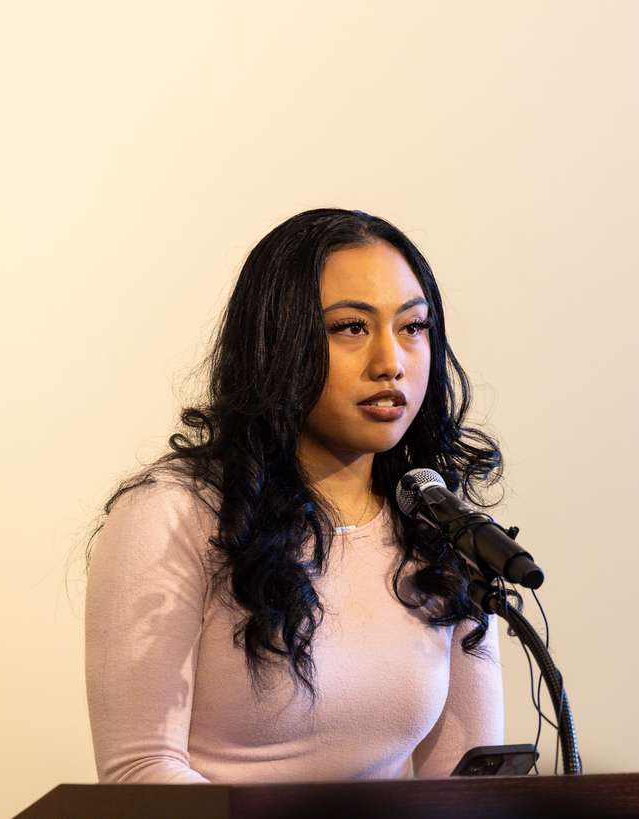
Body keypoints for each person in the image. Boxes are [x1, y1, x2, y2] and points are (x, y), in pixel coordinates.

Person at [83, 208, 506, 783]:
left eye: (412, 328)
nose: (391, 364)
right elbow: (139, 771)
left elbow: (469, 785)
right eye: (351, 328)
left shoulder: (442, 530)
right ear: (276, 344)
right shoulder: (172, 514)